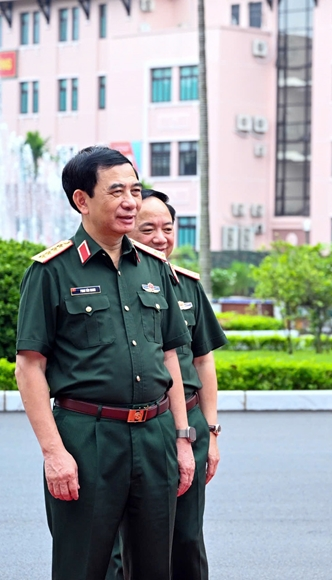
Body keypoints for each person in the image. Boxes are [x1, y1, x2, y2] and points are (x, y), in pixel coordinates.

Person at [14, 146, 194, 580]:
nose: (131, 201)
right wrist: (55, 453)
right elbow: (30, 366)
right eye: (116, 192)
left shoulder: (154, 268)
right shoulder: (52, 271)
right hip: (87, 438)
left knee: (156, 566)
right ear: (82, 200)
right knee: (83, 566)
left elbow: (170, 355)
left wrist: (183, 439)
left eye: (134, 189)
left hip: (154, 436)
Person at [106, 190, 227, 580]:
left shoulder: (187, 285)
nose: (160, 237)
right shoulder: (109, 284)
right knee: (128, 544)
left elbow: (203, 359)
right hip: (140, 422)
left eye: (167, 228)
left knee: (187, 537)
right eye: (148, 228)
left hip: (190, 420)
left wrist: (210, 429)